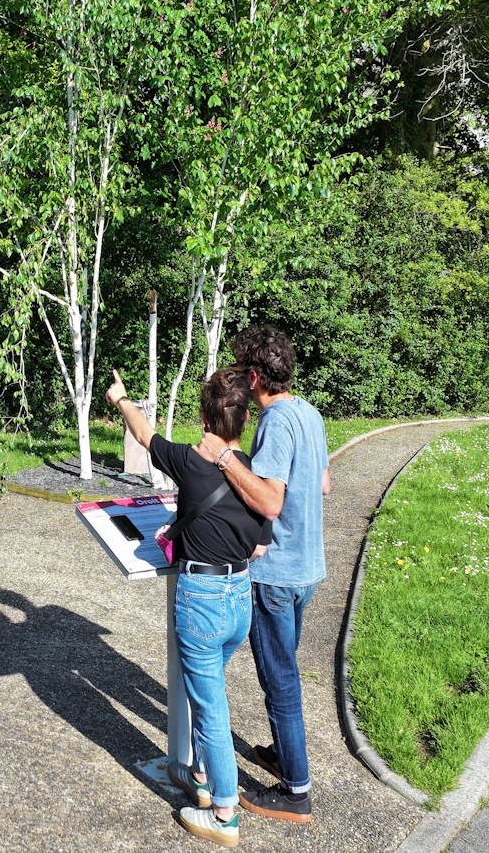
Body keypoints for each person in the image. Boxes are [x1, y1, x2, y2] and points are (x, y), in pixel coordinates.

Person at [106, 366, 272, 849]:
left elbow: (144, 432)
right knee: (208, 693)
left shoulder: (188, 462)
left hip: (201, 600)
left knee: (211, 705)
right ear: (244, 422)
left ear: (204, 416)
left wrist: (121, 398)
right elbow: (259, 548)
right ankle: (201, 772)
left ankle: (223, 812)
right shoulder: (258, 477)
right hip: (239, 598)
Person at [217, 325, 329, 824]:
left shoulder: (276, 422)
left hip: (276, 575)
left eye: (244, 372)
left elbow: (268, 498)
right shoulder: (309, 412)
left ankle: (295, 791)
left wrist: (224, 459)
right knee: (284, 669)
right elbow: (322, 484)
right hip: (307, 568)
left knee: (279, 680)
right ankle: (287, 754)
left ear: (257, 376)